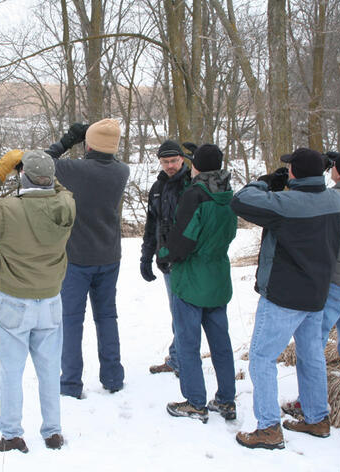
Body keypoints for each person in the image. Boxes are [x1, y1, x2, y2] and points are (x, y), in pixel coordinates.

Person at [231, 148, 340, 450]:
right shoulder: (334, 199)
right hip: (316, 293)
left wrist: (265, 181)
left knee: (262, 358)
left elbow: (240, 201)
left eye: (288, 168)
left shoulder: (288, 204)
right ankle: (318, 417)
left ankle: (268, 427)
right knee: (311, 356)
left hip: (284, 296)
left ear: (293, 172)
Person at [0, 149, 76, 453]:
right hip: (51, 300)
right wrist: (41, 173)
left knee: (11, 372)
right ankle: (53, 432)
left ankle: (12, 434)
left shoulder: (6, 210)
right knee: (49, 369)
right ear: (51, 179)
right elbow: (61, 190)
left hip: (14, 301)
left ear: (23, 177)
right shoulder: (66, 205)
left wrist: (1, 170)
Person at [281, 150, 340, 418]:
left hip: (336, 282)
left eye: (333, 167)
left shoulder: (337, 197)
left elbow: (314, 199)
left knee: (312, 342)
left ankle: (307, 401)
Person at [44, 119, 130, 399]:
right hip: (109, 254)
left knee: (71, 320)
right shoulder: (122, 171)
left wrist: (68, 140)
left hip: (78, 258)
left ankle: (70, 383)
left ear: (89, 143)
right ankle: (113, 377)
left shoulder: (75, 169)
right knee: (107, 316)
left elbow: (40, 161)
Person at [158, 144, 237, 424]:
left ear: (198, 167)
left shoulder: (194, 195)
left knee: (188, 342)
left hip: (191, 278)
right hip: (218, 275)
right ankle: (227, 400)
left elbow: (184, 240)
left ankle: (194, 402)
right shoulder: (228, 193)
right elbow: (230, 232)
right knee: (221, 343)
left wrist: (165, 254)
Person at [140, 140, 192, 375]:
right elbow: (152, 225)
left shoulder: (192, 184)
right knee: (177, 311)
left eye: (174, 161)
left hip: (192, 260)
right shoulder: (157, 188)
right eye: (165, 162)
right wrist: (146, 257)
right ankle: (178, 358)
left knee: (187, 312)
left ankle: (184, 360)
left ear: (182, 159)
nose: (170, 166)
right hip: (167, 260)